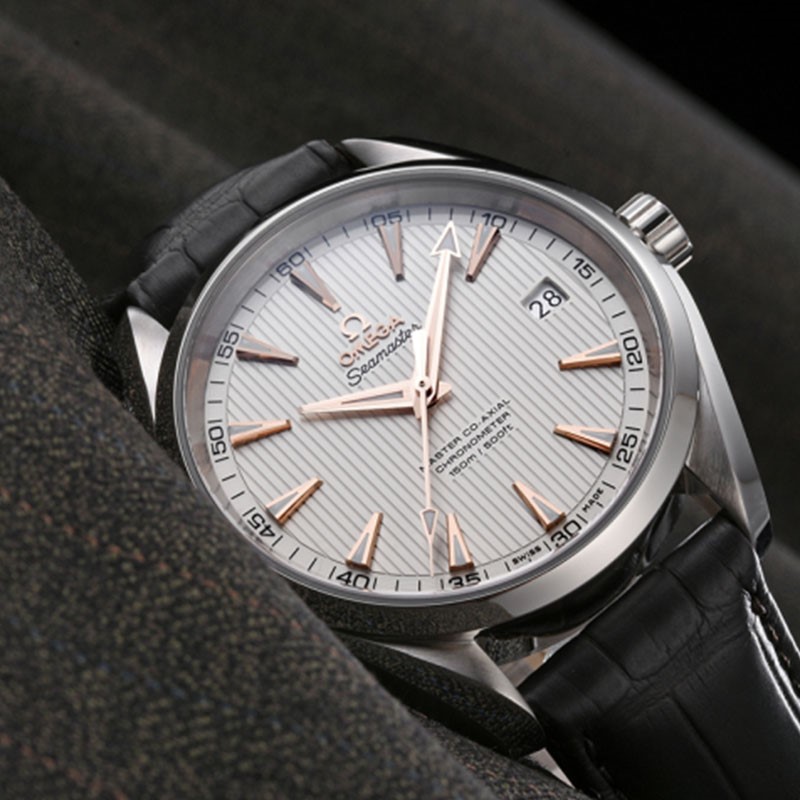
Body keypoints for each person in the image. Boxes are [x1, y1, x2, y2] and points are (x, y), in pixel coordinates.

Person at [2, 2, 798, 797]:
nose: (426, 392)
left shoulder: (382, 177)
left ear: (642, 242)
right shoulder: (153, 356)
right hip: (495, 641)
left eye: (426, 386)